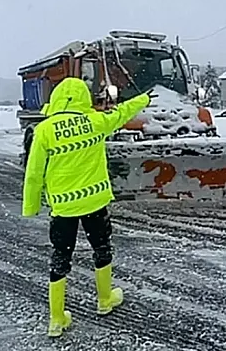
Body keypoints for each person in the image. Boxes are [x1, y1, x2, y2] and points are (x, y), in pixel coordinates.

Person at [21, 77, 151, 337]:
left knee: (61, 257)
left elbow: (34, 173)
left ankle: (57, 319)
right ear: (84, 98)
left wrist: (31, 206)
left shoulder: (44, 130)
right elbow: (122, 111)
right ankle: (105, 300)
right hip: (95, 202)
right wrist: (144, 99)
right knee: (102, 249)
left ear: (57, 98)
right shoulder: (96, 122)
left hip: (63, 208)